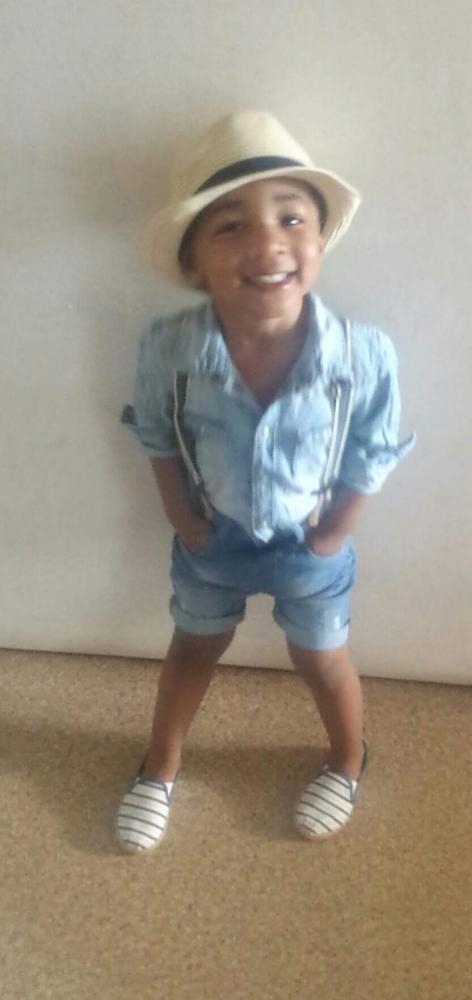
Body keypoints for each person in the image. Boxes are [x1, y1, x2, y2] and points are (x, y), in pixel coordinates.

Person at [116, 109, 415, 853]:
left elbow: (372, 449)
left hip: (308, 545)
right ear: (194, 261)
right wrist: (184, 519)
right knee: (192, 647)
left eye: (291, 218)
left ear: (319, 240)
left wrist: (335, 532)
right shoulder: (169, 348)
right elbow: (157, 434)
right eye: (230, 226)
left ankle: (348, 759)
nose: (267, 243)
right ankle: (159, 765)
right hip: (211, 539)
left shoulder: (361, 354)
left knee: (321, 657)